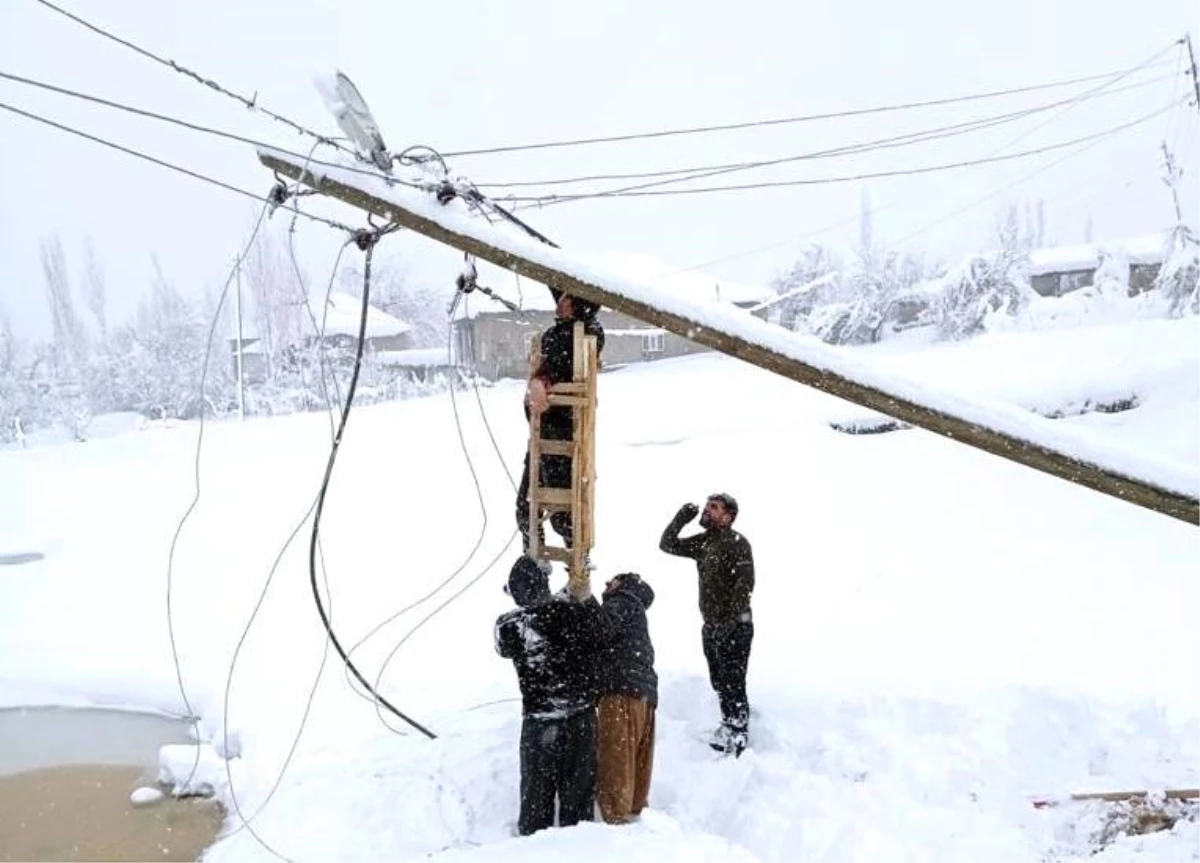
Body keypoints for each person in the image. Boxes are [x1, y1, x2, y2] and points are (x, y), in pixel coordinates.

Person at [494, 555, 604, 835]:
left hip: (539, 720)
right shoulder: (569, 613)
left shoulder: (510, 626)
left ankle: (532, 846)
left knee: (535, 796)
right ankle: (578, 849)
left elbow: (503, 644)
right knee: (578, 798)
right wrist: (579, 586)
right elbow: (598, 630)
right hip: (580, 716)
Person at [659, 493, 755, 755]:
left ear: (728, 516)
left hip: (736, 626)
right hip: (711, 626)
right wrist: (681, 518)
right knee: (719, 680)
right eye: (707, 506)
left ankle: (738, 731)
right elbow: (667, 545)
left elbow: (745, 586)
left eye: (714, 508)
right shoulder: (704, 542)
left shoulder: (737, 544)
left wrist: (730, 621)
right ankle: (728, 724)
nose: (707, 510)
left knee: (732, 679)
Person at [516, 288, 604, 554]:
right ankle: (536, 564)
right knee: (526, 507)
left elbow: (558, 368)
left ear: (577, 305)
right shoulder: (558, 332)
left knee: (562, 513)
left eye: (566, 297)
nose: (560, 301)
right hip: (543, 433)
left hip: (562, 432)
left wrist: (541, 381)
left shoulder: (583, 332)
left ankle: (578, 565)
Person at [593, 572, 657, 825]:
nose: (607, 584)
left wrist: (581, 601)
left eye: (614, 580)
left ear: (626, 585)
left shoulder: (622, 601)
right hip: (645, 694)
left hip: (620, 690)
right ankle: (636, 818)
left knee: (615, 761)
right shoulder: (637, 613)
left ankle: (614, 826)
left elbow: (598, 626)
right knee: (638, 763)